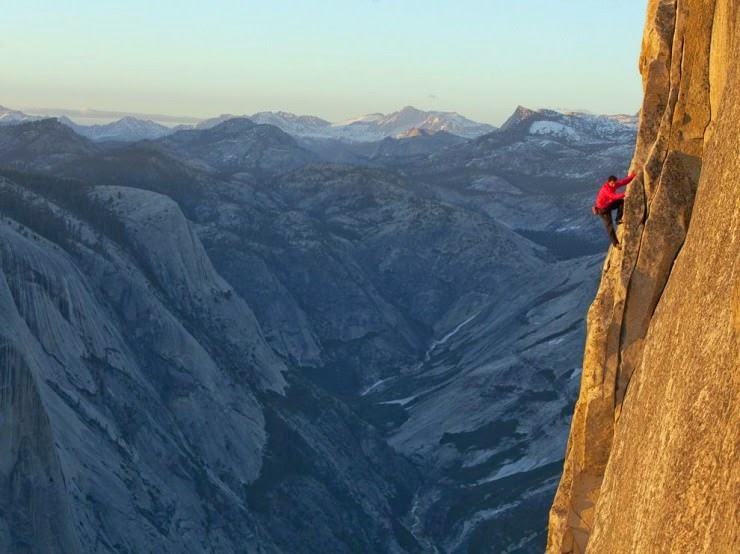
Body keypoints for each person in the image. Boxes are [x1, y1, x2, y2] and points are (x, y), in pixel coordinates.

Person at [592, 172, 636, 248]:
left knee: (621, 202)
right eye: (612, 183)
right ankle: (616, 244)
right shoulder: (605, 189)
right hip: (603, 210)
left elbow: (622, 182)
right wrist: (624, 194)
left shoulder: (614, 184)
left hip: (608, 205)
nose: (614, 185)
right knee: (610, 226)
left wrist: (631, 177)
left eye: (614, 183)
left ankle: (618, 219)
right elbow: (612, 196)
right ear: (608, 182)